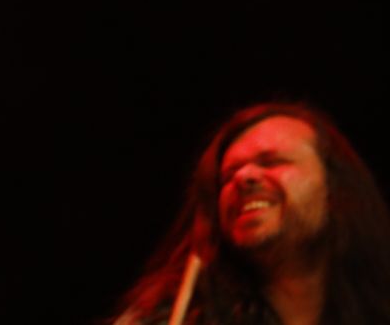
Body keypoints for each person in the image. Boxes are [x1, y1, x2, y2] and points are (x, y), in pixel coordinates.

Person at [113, 101, 390, 325]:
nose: (243, 177)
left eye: (271, 162)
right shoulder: (171, 316)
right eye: (229, 173)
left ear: (333, 188)